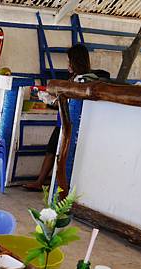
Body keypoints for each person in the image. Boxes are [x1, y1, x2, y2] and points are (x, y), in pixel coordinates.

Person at [23, 44, 110, 191]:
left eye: (69, 61)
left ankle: (52, 185)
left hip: (68, 123)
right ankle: (42, 181)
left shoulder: (83, 81)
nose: (68, 64)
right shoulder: (76, 78)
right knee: (51, 151)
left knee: (57, 153)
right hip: (62, 121)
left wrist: (50, 100)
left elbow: (70, 103)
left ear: (75, 62)